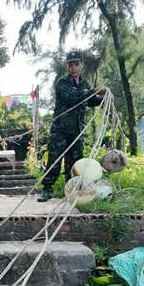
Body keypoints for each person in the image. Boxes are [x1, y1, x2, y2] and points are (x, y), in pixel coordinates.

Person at [38, 51, 105, 202]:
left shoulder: (85, 84)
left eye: (76, 64)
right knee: (54, 161)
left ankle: (71, 190)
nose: (73, 67)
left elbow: (90, 101)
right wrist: (95, 91)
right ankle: (47, 189)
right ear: (67, 66)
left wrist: (103, 98)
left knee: (74, 164)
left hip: (77, 131)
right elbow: (74, 99)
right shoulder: (62, 83)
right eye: (70, 65)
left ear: (81, 65)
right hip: (60, 130)